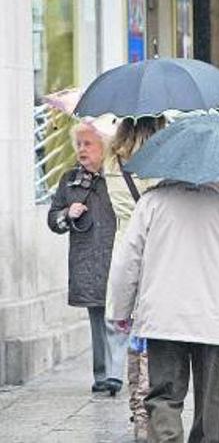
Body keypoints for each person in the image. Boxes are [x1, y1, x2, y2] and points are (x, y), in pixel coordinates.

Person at [106, 178, 219, 442]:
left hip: (163, 317)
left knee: (164, 396)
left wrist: (121, 310)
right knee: (209, 401)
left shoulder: (151, 204)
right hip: (214, 318)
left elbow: (127, 262)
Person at [47, 121, 126, 397]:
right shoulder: (69, 180)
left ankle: (118, 372)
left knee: (118, 317)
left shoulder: (117, 177)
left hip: (116, 256)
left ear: (103, 147)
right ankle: (103, 375)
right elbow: (53, 221)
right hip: (87, 260)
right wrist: (67, 213)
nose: (82, 149)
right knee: (96, 317)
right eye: (78, 144)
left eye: (88, 143)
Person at [104, 116, 165, 441]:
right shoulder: (155, 163)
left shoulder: (113, 160)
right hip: (154, 255)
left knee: (135, 339)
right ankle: (148, 413)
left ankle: (138, 414)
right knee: (151, 342)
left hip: (122, 253)